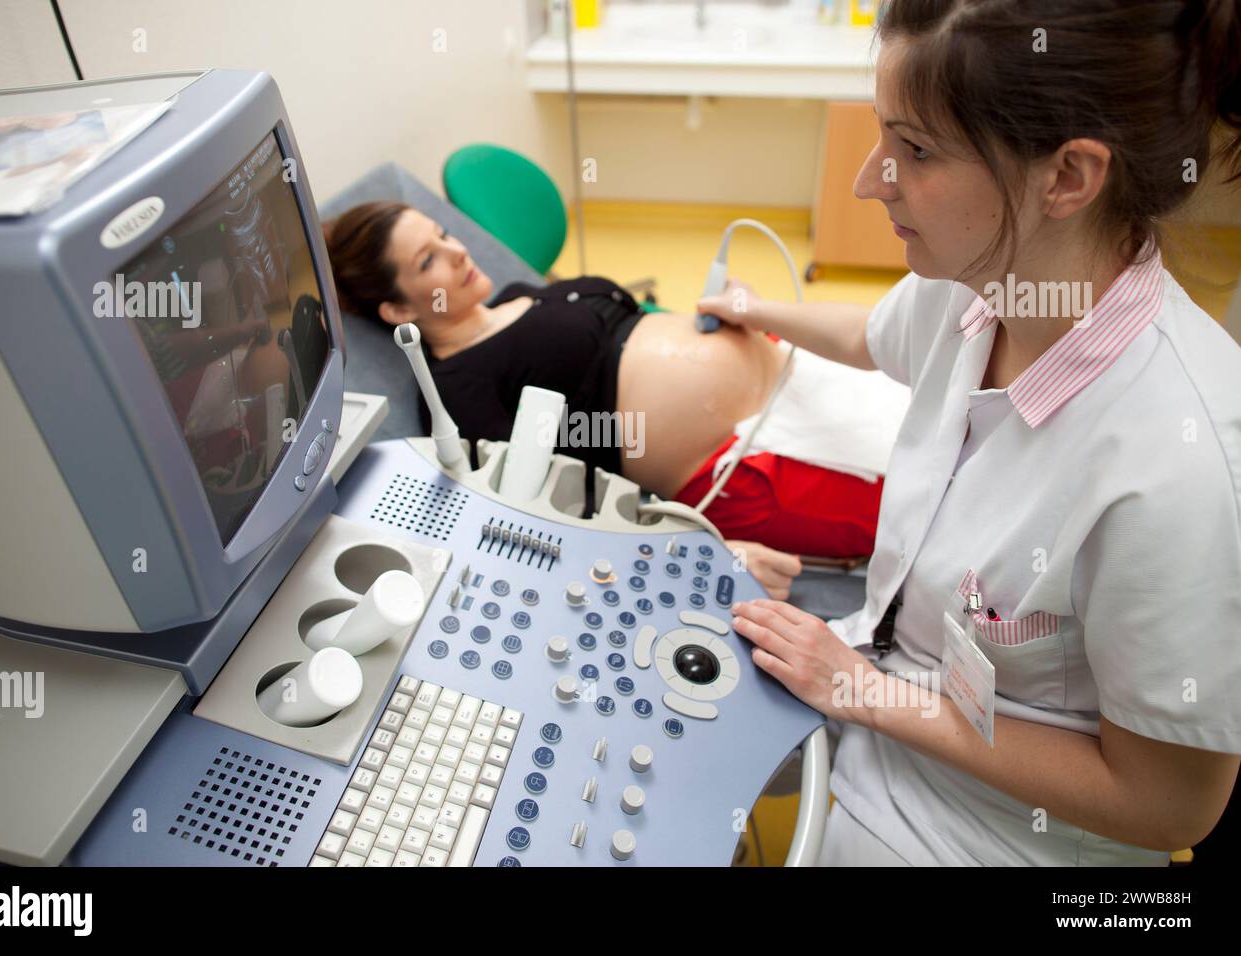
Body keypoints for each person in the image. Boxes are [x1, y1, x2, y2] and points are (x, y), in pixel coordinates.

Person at [719, 0, 1241, 865]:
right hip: (880, 697)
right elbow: (873, 337)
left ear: (1068, 176)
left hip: (992, 833)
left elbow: (1166, 809)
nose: (869, 181)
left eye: (915, 151)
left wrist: (864, 692)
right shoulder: (978, 276)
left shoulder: (1181, 467)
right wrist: (752, 308)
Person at [323, 203, 908, 597]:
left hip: (793, 367)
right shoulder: (457, 391)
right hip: (745, 466)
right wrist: (712, 556)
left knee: (941, 421)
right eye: (427, 260)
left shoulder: (519, 293)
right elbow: (531, 524)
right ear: (399, 309)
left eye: (443, 234)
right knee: (923, 506)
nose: (456, 251)